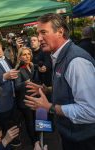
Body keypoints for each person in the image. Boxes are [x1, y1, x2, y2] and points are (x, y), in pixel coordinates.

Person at [25, 13, 95, 150]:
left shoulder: (76, 62)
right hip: (72, 135)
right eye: (38, 33)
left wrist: (50, 107)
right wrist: (48, 90)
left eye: (43, 32)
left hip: (84, 139)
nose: (39, 38)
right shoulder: (59, 55)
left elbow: (90, 111)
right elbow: (71, 88)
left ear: (60, 32)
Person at [15, 47, 36, 145]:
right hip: (25, 101)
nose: (27, 56)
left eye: (28, 54)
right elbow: (17, 87)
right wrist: (25, 83)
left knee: (38, 118)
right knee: (30, 122)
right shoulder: (18, 70)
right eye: (24, 54)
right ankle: (34, 142)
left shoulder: (32, 66)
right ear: (20, 57)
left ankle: (40, 136)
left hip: (35, 98)